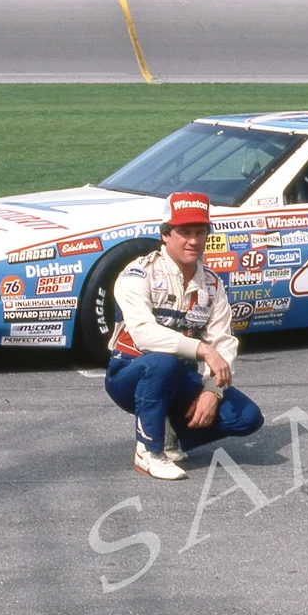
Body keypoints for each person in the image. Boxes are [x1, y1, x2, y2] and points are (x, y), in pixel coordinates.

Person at [105, 192, 264, 481]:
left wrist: (212, 392)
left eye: (200, 232)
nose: (193, 241)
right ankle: (148, 451)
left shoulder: (213, 284)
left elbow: (224, 343)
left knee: (247, 417)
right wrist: (203, 350)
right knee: (161, 363)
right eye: (184, 232)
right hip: (129, 373)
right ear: (165, 234)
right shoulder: (138, 274)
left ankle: (170, 432)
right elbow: (142, 334)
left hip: (179, 377)